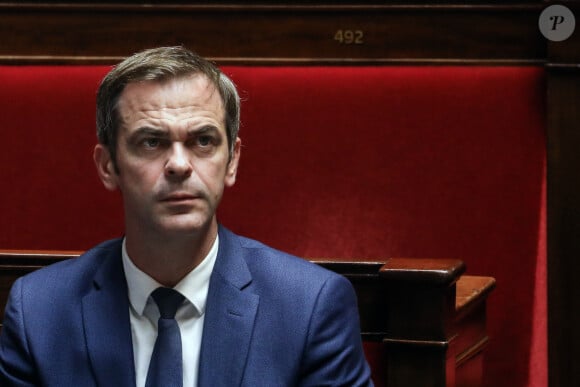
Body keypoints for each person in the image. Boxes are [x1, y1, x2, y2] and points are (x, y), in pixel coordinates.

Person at [0, 46, 373, 386]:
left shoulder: (309, 306)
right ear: (108, 165)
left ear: (232, 161)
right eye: (151, 142)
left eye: (203, 141)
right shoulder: (38, 312)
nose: (179, 164)